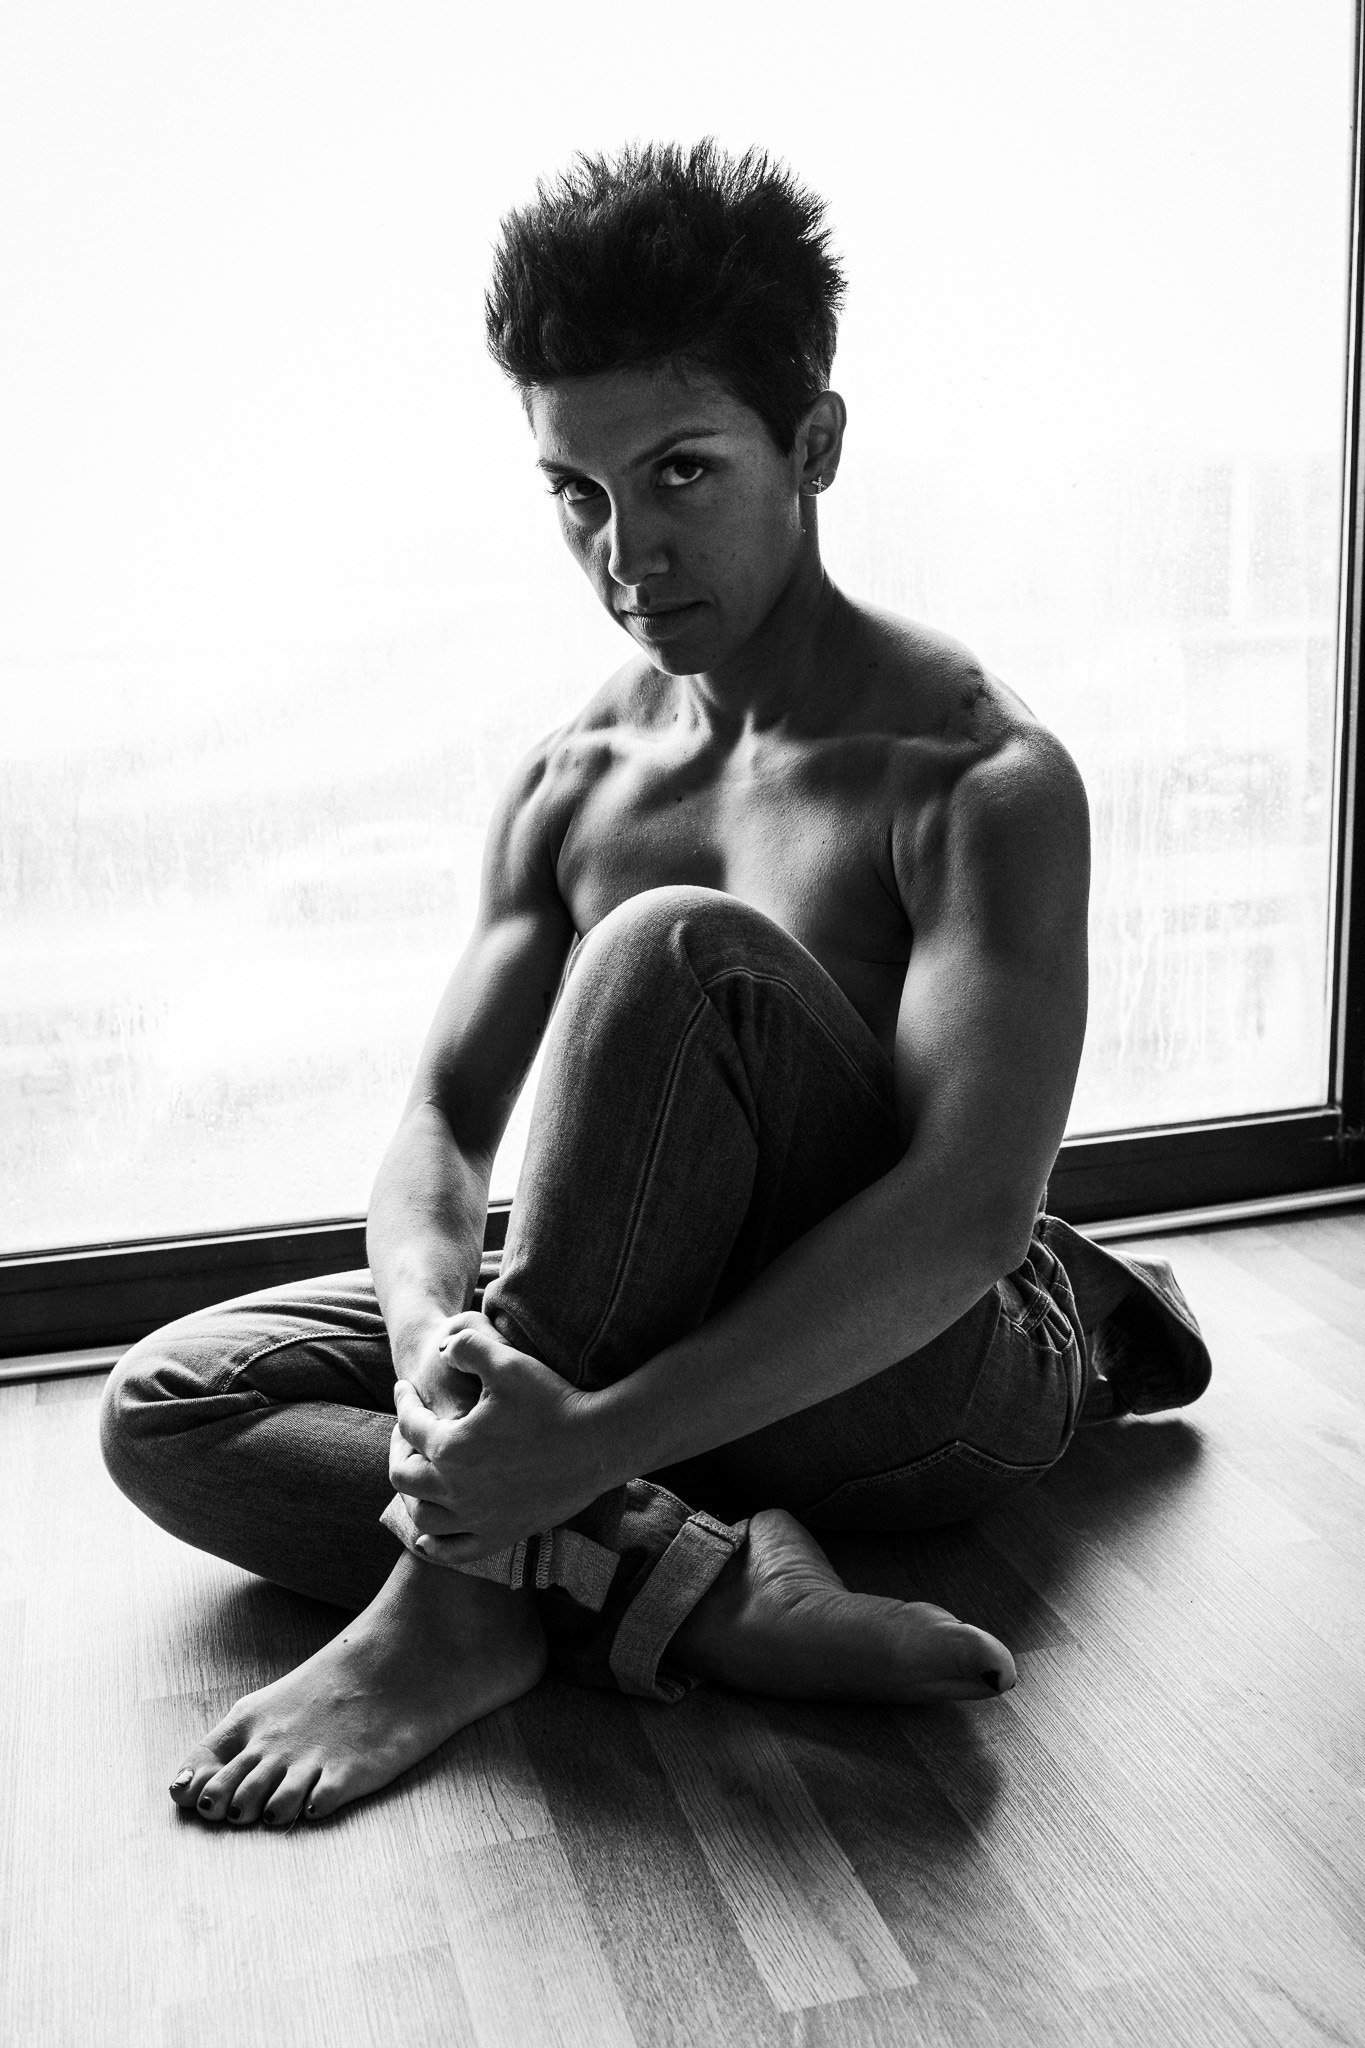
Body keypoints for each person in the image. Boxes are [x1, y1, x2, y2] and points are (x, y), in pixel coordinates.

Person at [100, 140, 1211, 1831]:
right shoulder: (577, 776)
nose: (627, 551)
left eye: (681, 472)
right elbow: (440, 1123)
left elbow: (967, 1220)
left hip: (927, 1372)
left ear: (813, 444)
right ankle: (694, 1589)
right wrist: (441, 1364)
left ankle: (462, 1601)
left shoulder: (971, 772)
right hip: (647, 1351)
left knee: (671, 949)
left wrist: (573, 1442)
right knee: (172, 1404)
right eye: (577, 492)